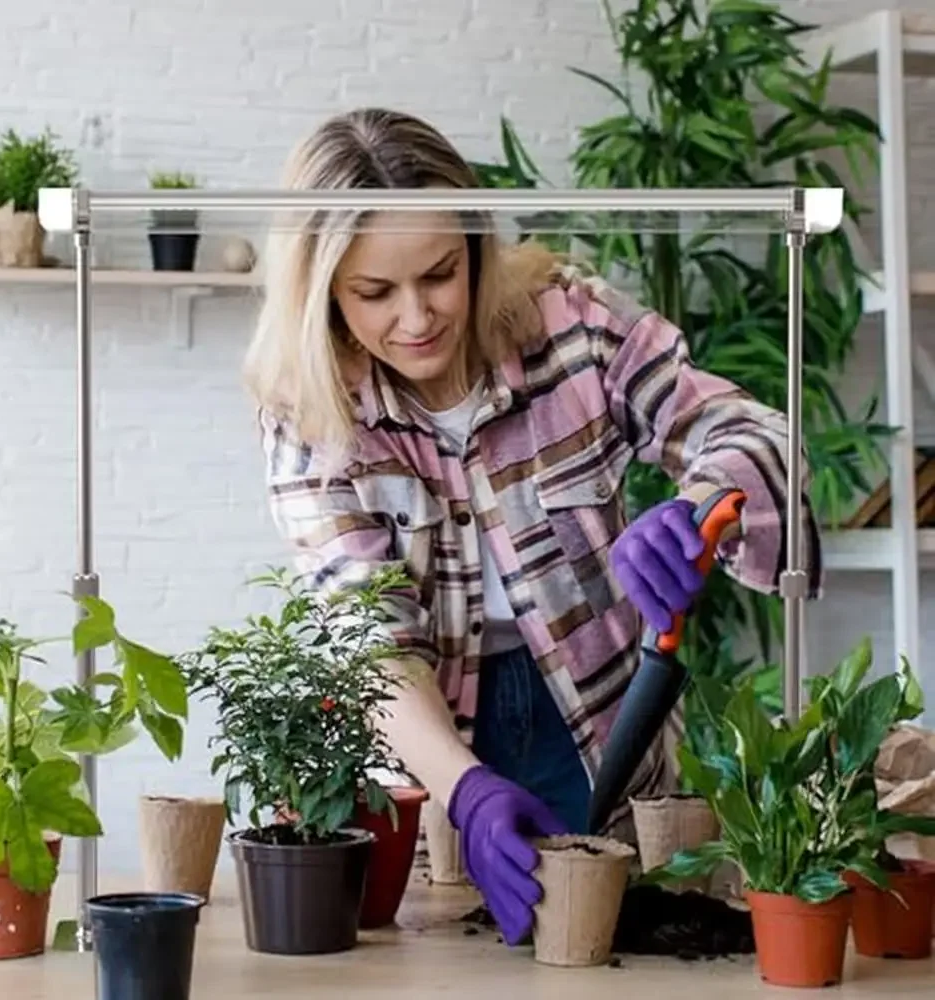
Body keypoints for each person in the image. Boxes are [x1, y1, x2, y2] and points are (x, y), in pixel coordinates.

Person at [243, 107, 822, 946]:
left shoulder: (573, 327)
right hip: (430, 749)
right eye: (374, 292)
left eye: (440, 273)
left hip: (600, 725)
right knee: (445, 955)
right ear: (323, 292)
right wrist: (465, 792)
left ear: (476, 245)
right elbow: (368, 637)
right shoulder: (308, 409)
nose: (415, 317)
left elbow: (756, 434)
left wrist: (699, 509)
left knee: (614, 945)